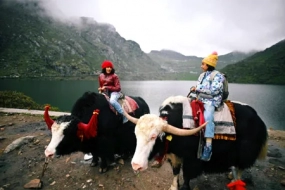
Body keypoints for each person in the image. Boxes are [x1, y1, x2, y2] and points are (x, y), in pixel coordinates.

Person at [191, 51, 224, 161]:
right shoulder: (202, 75)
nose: (201, 66)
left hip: (211, 101)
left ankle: (208, 146)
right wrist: (195, 90)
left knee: (208, 117)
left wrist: (198, 89)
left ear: (208, 65)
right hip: (200, 99)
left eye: (203, 64)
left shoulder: (218, 76)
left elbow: (214, 91)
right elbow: (198, 88)